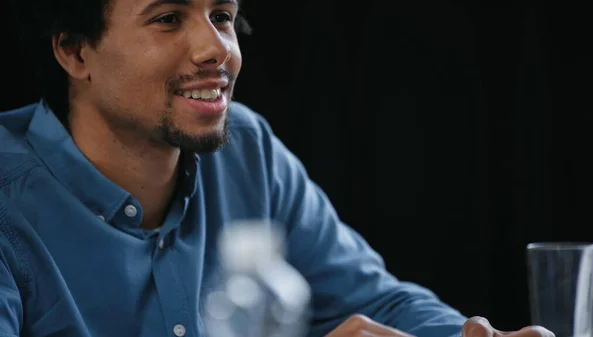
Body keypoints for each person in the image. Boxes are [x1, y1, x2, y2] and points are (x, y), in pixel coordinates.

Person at [0, 0, 553, 336]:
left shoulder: (249, 150)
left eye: (221, 17)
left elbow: (374, 301)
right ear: (74, 53)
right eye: (168, 19)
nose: (217, 49)